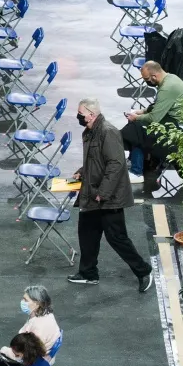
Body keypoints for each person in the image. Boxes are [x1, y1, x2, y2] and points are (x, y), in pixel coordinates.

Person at [70, 98, 153, 291]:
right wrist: (83, 171)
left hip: (108, 197)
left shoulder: (108, 132)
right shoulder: (91, 131)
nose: (79, 117)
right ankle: (88, 273)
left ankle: (143, 271)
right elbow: (96, 159)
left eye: (81, 114)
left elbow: (116, 165)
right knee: (87, 233)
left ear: (91, 114)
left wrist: (103, 192)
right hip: (93, 193)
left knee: (117, 237)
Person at [122, 61, 183, 197]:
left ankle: (137, 171)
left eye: (146, 80)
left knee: (136, 130)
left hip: (178, 133)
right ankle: (135, 163)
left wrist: (136, 118)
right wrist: (140, 112)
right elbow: (158, 106)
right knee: (136, 128)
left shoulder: (167, 88)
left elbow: (154, 118)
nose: (146, 82)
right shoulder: (170, 79)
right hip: (174, 123)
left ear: (154, 76)